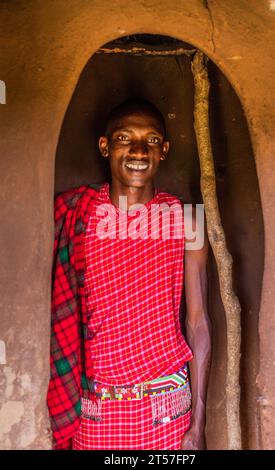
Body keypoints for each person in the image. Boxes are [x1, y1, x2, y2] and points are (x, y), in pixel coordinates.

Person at [47, 97, 211, 450]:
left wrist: (199, 422)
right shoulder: (79, 215)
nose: (139, 150)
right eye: (125, 138)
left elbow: (198, 323)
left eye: (151, 140)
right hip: (96, 412)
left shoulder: (186, 221)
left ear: (164, 150)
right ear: (105, 146)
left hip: (167, 410)